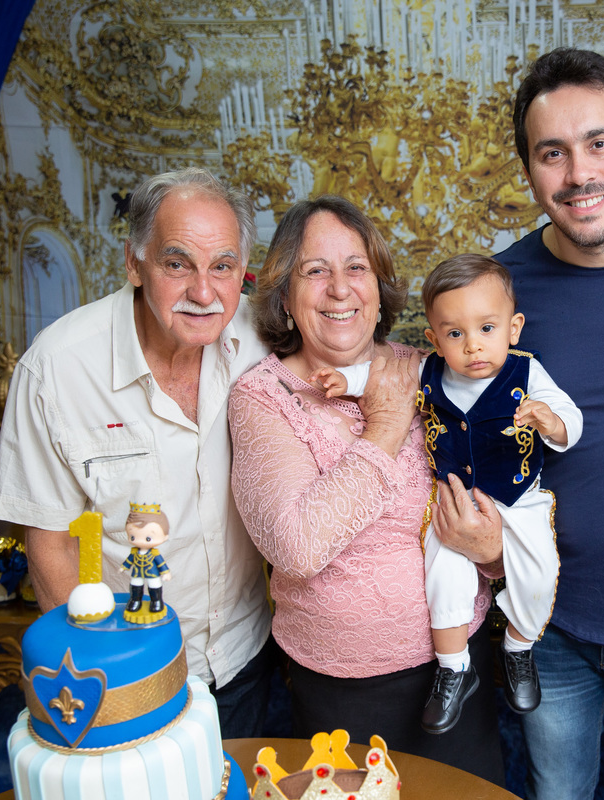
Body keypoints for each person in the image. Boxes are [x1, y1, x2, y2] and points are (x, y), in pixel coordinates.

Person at [432, 48, 604, 799]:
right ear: (529, 171)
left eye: (599, 143)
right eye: (552, 153)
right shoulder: (496, 294)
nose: (579, 173)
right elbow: (427, 400)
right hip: (547, 622)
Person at [0, 167, 275, 739]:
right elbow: (50, 543)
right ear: (134, 263)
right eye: (177, 264)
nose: (203, 292)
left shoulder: (264, 339)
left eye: (222, 267)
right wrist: (99, 679)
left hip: (245, 654)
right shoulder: (56, 370)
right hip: (126, 672)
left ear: (243, 269)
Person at [227, 197, 505, 784]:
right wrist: (386, 426)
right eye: (315, 270)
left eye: (356, 268)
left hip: (460, 663)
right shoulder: (262, 398)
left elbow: (502, 486)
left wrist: (496, 553)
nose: (340, 289)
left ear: (378, 289)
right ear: (285, 297)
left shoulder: (434, 368)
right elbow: (297, 547)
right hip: (342, 689)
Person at [314, 254, 583, 732]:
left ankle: (518, 648)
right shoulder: (427, 370)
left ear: (513, 329)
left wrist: (550, 420)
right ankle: (454, 668)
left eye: (487, 328)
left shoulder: (526, 374)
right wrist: (346, 381)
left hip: (518, 497)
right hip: (453, 498)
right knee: (443, 574)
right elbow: (378, 375)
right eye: (455, 334)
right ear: (434, 339)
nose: (473, 345)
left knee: (539, 571)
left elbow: (571, 419)